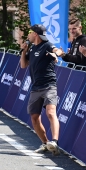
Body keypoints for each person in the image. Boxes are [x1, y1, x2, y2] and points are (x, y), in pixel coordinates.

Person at [20, 24, 62, 156]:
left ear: (35, 34)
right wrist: (24, 51)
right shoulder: (32, 48)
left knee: (50, 113)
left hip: (49, 85)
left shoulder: (47, 45)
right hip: (35, 87)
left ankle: (54, 142)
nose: (28, 35)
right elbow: (23, 65)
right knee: (34, 117)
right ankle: (45, 143)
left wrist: (56, 54)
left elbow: (58, 51)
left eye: (29, 32)